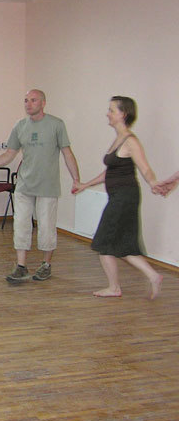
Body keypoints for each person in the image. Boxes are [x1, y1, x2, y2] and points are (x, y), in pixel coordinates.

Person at [0, 89, 80, 284]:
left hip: (47, 186)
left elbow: (67, 153)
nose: (28, 104)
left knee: (46, 226)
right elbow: (10, 154)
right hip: (24, 185)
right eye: (25, 101)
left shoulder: (56, 125)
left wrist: (76, 179)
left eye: (33, 100)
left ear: (43, 103)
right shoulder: (20, 126)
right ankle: (21, 266)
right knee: (21, 225)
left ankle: (46, 265)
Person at [73, 96, 163, 299]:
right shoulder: (118, 140)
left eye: (112, 110)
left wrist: (153, 183)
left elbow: (145, 168)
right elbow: (110, 172)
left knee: (104, 243)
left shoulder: (130, 140)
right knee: (122, 244)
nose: (108, 113)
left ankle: (114, 288)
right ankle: (153, 276)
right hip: (119, 196)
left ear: (123, 114)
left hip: (125, 197)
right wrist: (85, 185)